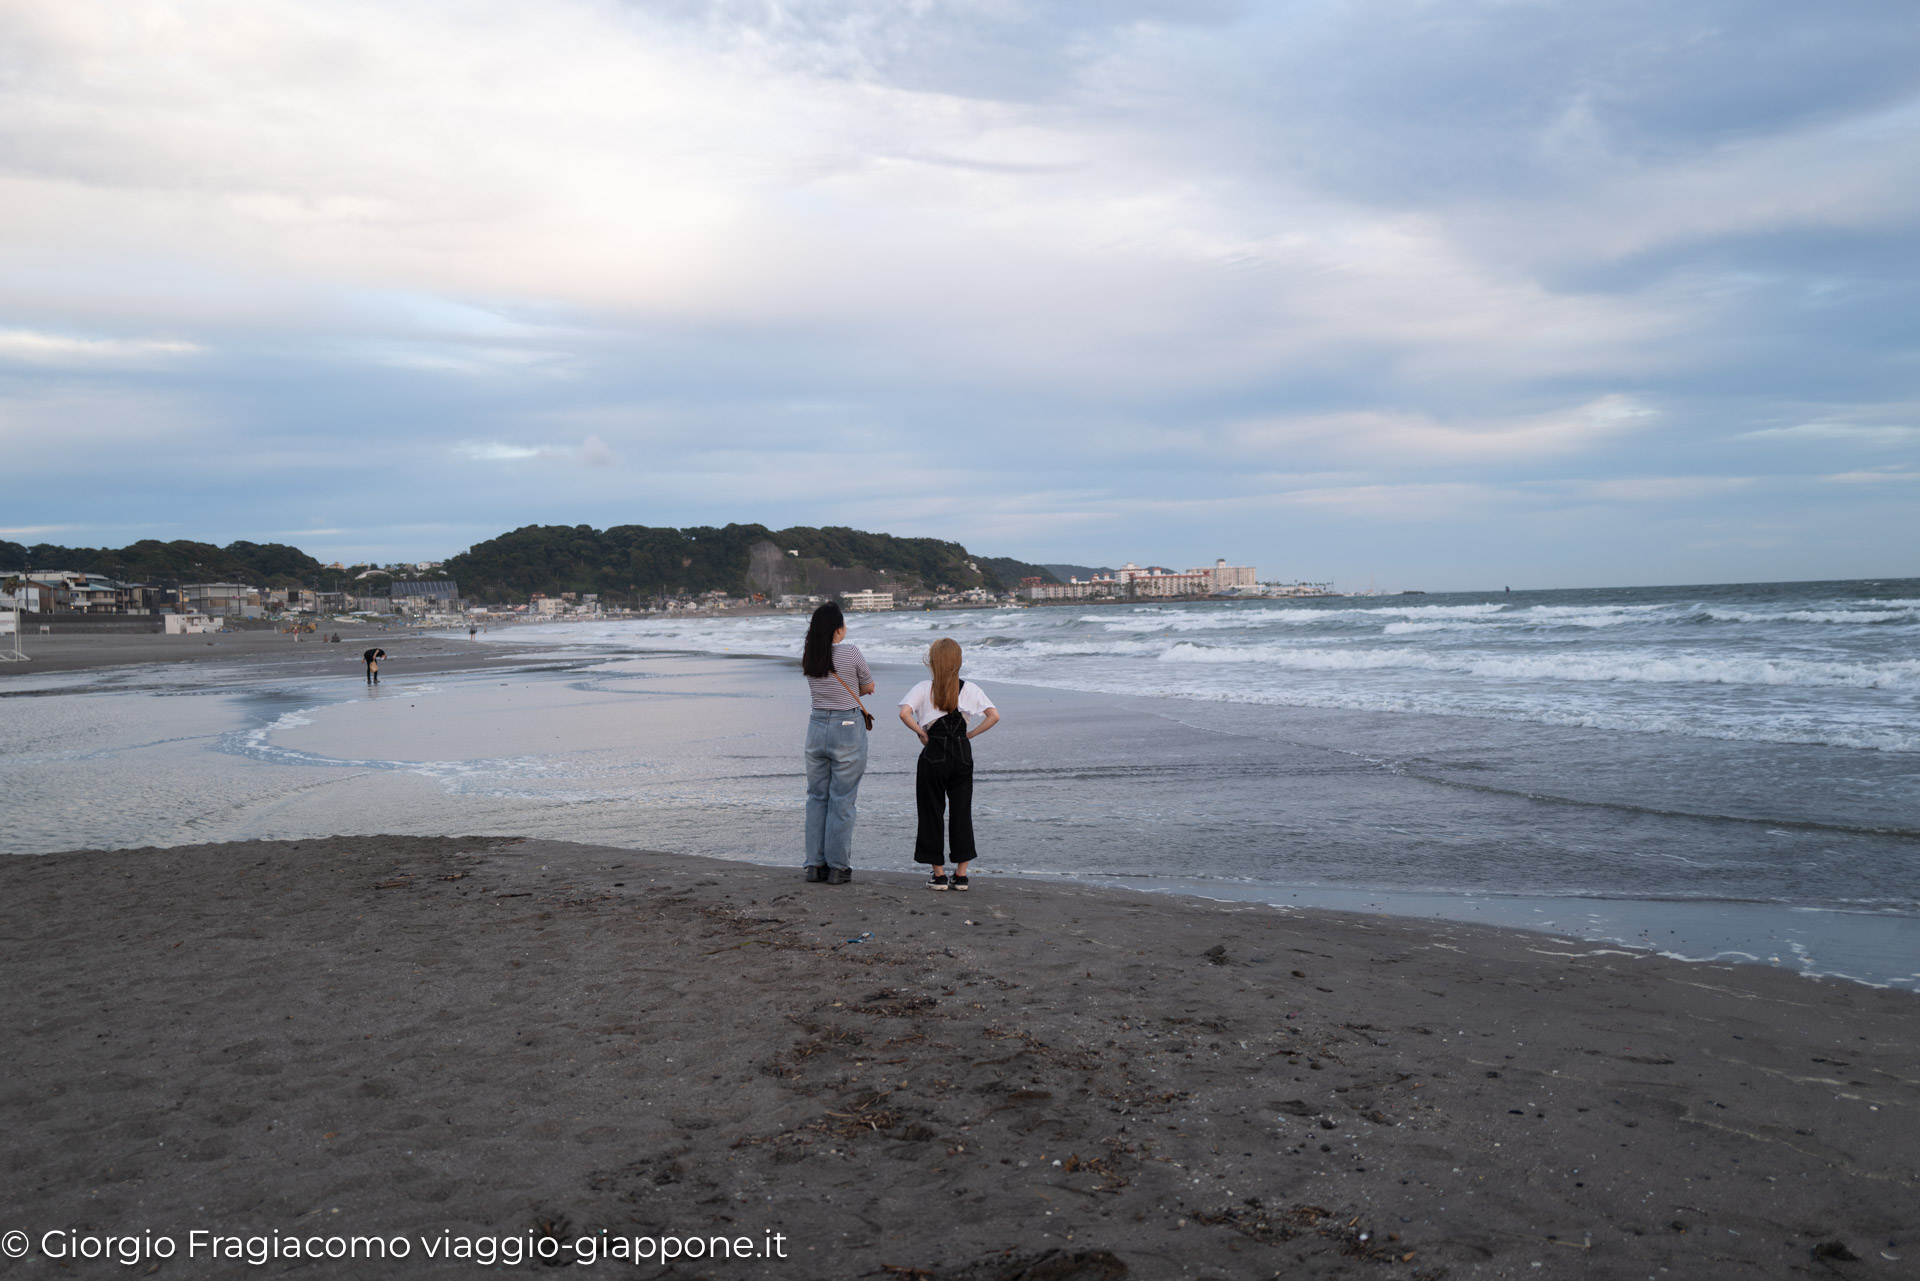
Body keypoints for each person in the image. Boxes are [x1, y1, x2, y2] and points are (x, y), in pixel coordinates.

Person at [897, 637, 999, 891]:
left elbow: (903, 713)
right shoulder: (970, 689)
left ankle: (939, 876)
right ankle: (961, 876)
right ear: (958, 662)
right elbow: (993, 716)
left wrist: (921, 733)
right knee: (961, 811)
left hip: (934, 752)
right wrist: (970, 735)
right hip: (962, 752)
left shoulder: (923, 687)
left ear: (933, 662)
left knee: (932, 811)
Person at [800, 603, 873, 884]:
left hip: (816, 726)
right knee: (842, 799)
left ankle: (815, 866)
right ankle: (838, 867)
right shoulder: (851, 652)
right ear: (837, 628)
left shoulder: (810, 654)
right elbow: (867, 687)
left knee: (817, 797)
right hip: (846, 727)